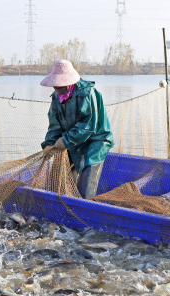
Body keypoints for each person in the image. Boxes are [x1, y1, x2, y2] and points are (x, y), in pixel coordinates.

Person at [40, 60, 114, 199]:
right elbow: (55, 124)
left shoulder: (87, 93)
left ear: (70, 82)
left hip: (96, 140)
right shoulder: (57, 96)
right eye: (56, 85)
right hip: (72, 140)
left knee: (85, 189)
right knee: (60, 184)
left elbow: (87, 125)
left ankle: (85, 211)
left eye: (61, 84)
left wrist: (65, 140)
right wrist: (50, 143)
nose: (57, 88)